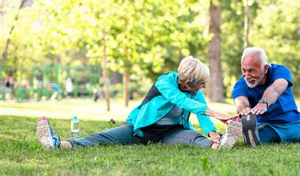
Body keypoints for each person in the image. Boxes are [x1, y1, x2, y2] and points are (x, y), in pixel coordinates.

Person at [36, 56, 242, 150]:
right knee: (101, 138)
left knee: (195, 138)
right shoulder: (165, 83)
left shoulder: (194, 91)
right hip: (141, 130)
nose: (203, 88)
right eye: (201, 84)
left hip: (171, 132)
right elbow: (181, 101)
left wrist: (213, 133)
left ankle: (219, 146)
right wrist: (215, 112)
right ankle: (58, 144)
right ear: (188, 83)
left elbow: (199, 113)